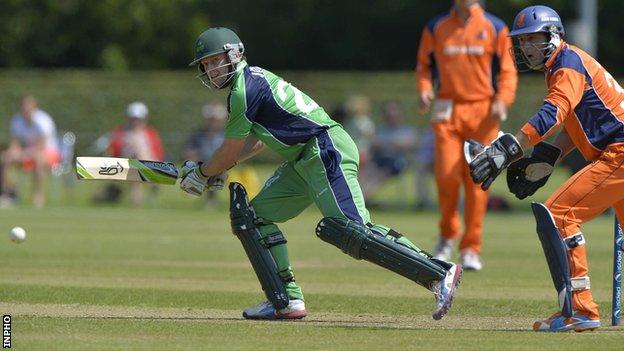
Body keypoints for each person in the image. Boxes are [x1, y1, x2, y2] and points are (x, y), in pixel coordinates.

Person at [180, 27, 462, 321]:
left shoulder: (243, 89)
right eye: (207, 64)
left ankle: (438, 272)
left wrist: (202, 173)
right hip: (303, 160)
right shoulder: (251, 81)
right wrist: (214, 169)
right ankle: (285, 299)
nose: (212, 70)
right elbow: (257, 142)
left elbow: (229, 149)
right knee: (253, 218)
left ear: (235, 54)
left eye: (216, 60)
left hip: (325, 149)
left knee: (353, 231)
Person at [465, 5, 620, 332]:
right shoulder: (566, 64)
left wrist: (509, 148)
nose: (526, 47)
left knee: (560, 214)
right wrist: (548, 156)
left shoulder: (566, 66)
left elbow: (552, 115)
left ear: (554, 36)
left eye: (533, 39)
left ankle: (580, 311)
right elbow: (576, 124)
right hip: (615, 151)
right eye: (522, 41)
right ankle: (578, 311)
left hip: (619, 154)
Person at [415, 0, 518, 270]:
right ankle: (447, 236)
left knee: (478, 182)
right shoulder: (436, 26)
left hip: (483, 112)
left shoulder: (495, 27)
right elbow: (424, 66)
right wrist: (424, 89)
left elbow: (508, 71)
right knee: (446, 176)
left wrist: (502, 100)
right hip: (446, 109)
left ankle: (471, 248)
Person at [1, 94, 60, 208]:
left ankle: (38, 197)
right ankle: (7, 195)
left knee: (39, 158)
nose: (25, 108)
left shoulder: (43, 120)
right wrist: (13, 152)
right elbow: (15, 143)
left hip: (50, 153)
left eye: (28, 105)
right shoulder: (17, 120)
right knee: (6, 157)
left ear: (34, 106)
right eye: (23, 105)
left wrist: (23, 153)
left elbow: (41, 146)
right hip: (28, 153)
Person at [108, 102, 165, 206]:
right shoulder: (120, 132)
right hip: (124, 164)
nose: (136, 122)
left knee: (137, 168)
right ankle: (152, 182)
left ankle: (136, 205)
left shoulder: (151, 133)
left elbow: (158, 153)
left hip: (142, 165)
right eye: (134, 119)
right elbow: (114, 152)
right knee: (136, 149)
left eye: (139, 119)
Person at [360, 101, 417, 201]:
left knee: (380, 174)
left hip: (397, 162)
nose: (391, 116)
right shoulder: (381, 129)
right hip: (380, 159)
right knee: (367, 171)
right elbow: (373, 144)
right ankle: (360, 198)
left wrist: (385, 143)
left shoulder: (407, 130)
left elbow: (409, 144)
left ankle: (363, 198)